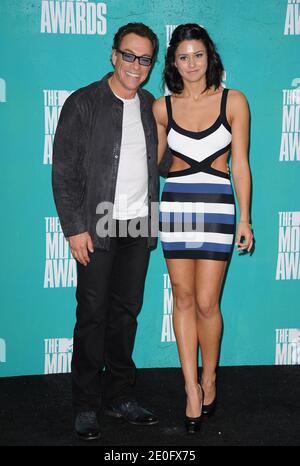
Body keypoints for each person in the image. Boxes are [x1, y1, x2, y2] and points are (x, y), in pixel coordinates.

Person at [52, 22, 160, 440]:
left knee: (125, 315)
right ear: (113, 55)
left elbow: (163, 162)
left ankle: (119, 397)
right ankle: (85, 405)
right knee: (92, 315)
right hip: (96, 224)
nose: (135, 65)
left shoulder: (152, 105)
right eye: (128, 55)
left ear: (151, 64)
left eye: (145, 59)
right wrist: (75, 227)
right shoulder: (84, 103)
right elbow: (63, 172)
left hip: (139, 224)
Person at [153, 24, 253, 434]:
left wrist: (245, 217)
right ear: (173, 63)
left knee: (208, 302)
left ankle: (210, 377)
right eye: (183, 57)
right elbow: (154, 165)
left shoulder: (234, 100)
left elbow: (241, 164)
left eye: (198, 55)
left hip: (216, 206)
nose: (191, 64)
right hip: (175, 205)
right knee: (183, 298)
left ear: (209, 57)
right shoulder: (162, 108)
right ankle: (190, 389)